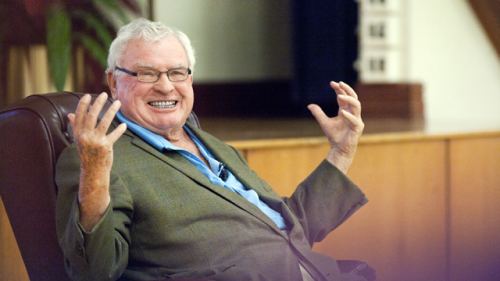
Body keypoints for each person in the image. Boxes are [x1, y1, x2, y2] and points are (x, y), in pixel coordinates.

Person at [55, 18, 373, 281]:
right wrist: (94, 172)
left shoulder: (215, 146)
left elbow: (291, 229)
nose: (165, 86)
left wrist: (341, 152)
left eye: (177, 72)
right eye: (147, 73)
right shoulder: (99, 158)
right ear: (113, 82)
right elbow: (93, 272)